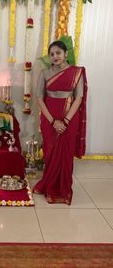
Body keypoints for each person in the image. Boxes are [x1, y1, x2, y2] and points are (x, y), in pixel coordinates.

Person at [33, 40, 87, 205]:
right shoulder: (45, 73)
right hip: (49, 118)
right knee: (50, 152)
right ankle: (49, 186)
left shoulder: (77, 72)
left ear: (66, 54)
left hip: (69, 118)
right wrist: (53, 121)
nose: (55, 56)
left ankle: (63, 190)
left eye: (58, 53)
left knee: (65, 154)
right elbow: (39, 98)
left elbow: (78, 97)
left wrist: (65, 120)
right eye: (52, 54)